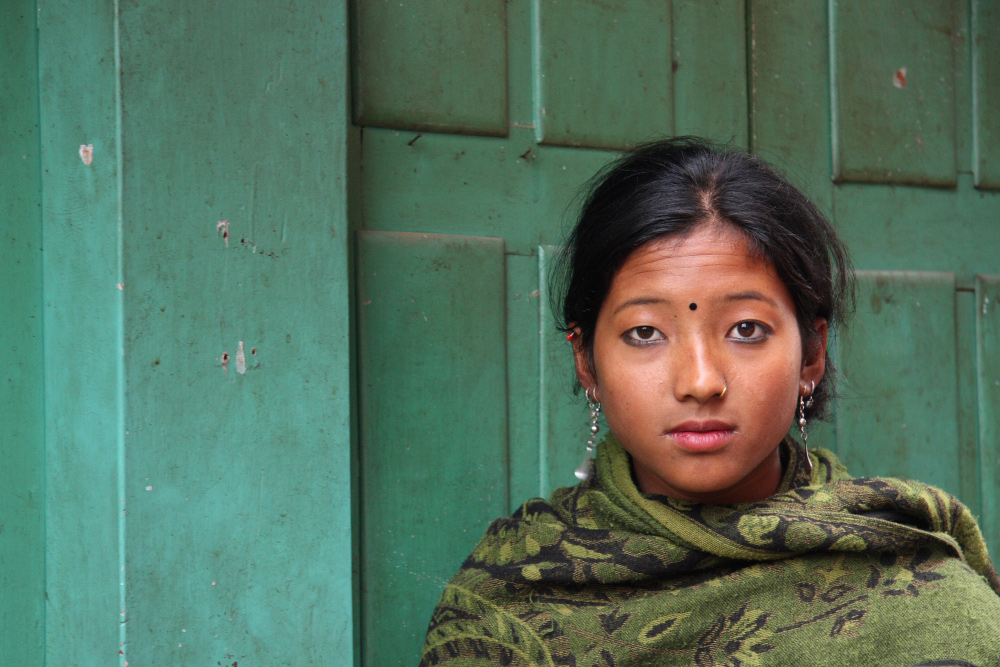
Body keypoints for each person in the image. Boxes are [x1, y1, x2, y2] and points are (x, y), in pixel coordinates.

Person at [419, 138, 1000, 666]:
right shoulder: (511, 598)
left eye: (746, 329)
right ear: (586, 361)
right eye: (645, 333)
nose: (700, 382)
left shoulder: (926, 599)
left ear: (812, 353)